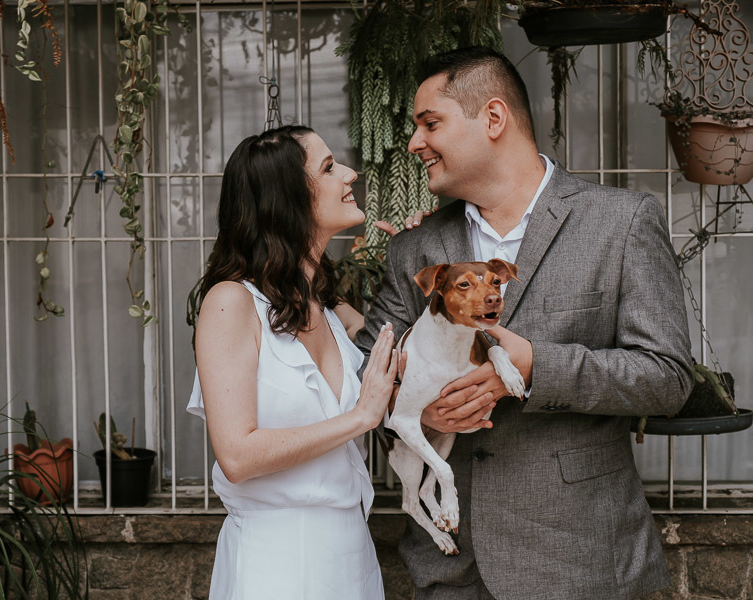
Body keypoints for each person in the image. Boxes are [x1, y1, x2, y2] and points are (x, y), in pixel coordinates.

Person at [355, 46, 694, 600]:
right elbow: (366, 377)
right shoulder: (415, 249)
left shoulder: (622, 223)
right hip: (451, 571)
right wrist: (411, 408)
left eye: (430, 124)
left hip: (580, 564)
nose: (415, 143)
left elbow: (667, 377)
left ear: (493, 117)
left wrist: (537, 366)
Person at [187, 125, 402, 600]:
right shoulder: (231, 303)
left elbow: (401, 355)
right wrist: (359, 418)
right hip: (276, 565)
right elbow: (237, 456)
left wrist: (413, 257)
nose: (350, 173)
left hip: (352, 557)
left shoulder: (328, 305)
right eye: (328, 168)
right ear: (287, 199)